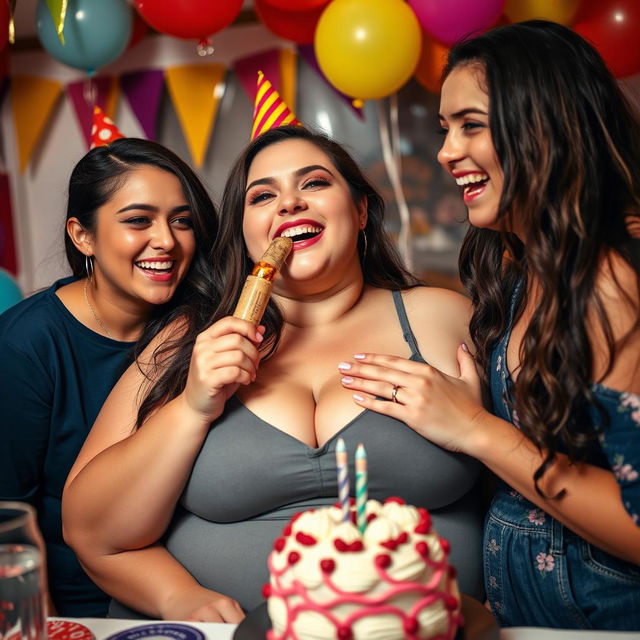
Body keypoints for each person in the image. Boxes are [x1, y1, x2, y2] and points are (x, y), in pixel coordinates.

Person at [62, 125, 485, 622]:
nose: (289, 204)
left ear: (361, 210)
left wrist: (473, 428)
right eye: (263, 195)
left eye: (314, 183)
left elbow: (538, 474)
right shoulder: (190, 339)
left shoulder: (445, 318)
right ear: (242, 232)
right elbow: (92, 531)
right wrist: (193, 405)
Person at [337, 21, 640, 630]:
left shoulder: (615, 284)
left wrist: (476, 429)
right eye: (445, 129)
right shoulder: (521, 265)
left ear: (547, 123)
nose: (447, 151)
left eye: (471, 125)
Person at [0, 138, 218, 617]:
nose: (166, 239)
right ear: (83, 236)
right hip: (83, 609)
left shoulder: (207, 324)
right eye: (138, 220)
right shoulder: (25, 344)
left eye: (181, 220)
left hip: (198, 595)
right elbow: (9, 519)